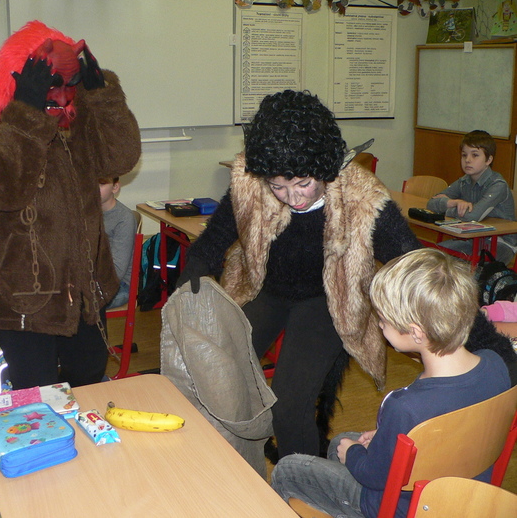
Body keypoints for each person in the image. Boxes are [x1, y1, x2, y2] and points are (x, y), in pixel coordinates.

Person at [177, 89, 517, 462]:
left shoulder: (363, 200)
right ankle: (229, 461)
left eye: (303, 184)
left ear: (325, 168)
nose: (293, 197)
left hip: (327, 299)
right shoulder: (250, 180)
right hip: (266, 288)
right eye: (278, 187)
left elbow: (426, 278)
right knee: (221, 372)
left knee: (289, 403)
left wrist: (495, 346)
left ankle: (300, 481)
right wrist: (197, 263)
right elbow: (221, 230)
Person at [0, 21, 141, 389]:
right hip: (23, 295)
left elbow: (120, 158)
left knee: (87, 380)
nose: (62, 95)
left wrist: (102, 96)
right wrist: (26, 112)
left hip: (85, 287)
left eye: (69, 84)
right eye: (54, 84)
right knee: (35, 393)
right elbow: (2, 191)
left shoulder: (75, 118)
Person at [270, 248, 511, 518]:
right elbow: (449, 423)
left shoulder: (404, 406)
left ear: (416, 332)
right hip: (463, 492)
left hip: (402, 507)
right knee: (340, 441)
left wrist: (356, 454)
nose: (379, 326)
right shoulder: (495, 364)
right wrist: (386, 435)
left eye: (383, 320)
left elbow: (375, 476)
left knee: (289, 468)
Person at [427, 130, 517, 264]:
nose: (468, 160)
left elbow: (472, 216)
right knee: (431, 255)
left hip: (500, 242)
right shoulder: (464, 181)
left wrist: (448, 210)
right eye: (464, 155)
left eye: (475, 155)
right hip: (472, 239)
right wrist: (453, 202)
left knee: (466, 266)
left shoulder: (498, 185)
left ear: (489, 160)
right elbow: (431, 203)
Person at [100, 177, 137, 309]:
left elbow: (117, 271)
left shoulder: (124, 218)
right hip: (92, 281)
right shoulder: (87, 212)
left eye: (101, 183)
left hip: (119, 286)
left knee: (71, 306)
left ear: (115, 187)